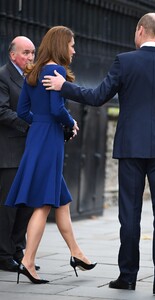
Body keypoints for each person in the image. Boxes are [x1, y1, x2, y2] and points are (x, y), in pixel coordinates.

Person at [42, 13, 155, 296]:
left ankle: (128, 276)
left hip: (130, 148)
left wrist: (65, 87)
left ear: (139, 30)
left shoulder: (125, 61)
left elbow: (99, 97)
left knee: (129, 213)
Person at [5, 26, 97, 284]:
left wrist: (41, 122)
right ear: (60, 45)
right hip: (50, 141)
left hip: (38, 136)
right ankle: (28, 261)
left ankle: (77, 253)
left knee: (61, 200)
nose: (74, 49)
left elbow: (23, 111)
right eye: (71, 44)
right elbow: (58, 109)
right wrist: (70, 122)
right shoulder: (55, 70)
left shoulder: (33, 71)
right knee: (45, 203)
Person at [0, 36, 38, 272]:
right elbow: (1, 111)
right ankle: (3, 254)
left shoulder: (31, 77)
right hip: (10, 151)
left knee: (27, 204)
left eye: (32, 52)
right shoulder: (3, 75)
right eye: (25, 53)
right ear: (12, 54)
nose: (30, 57)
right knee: (9, 207)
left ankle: (17, 250)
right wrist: (30, 125)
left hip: (30, 151)